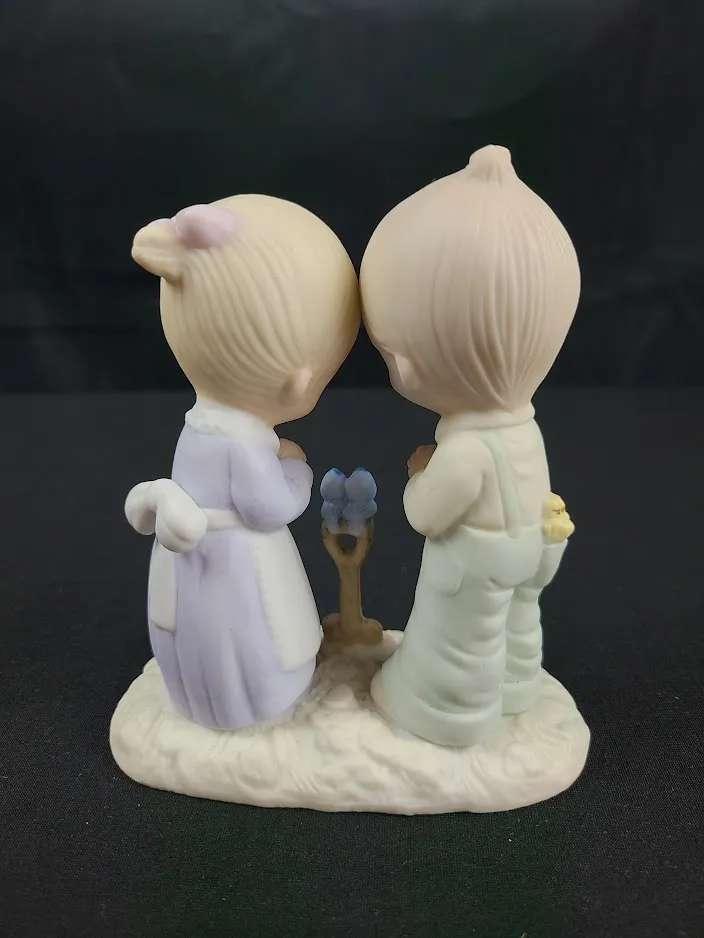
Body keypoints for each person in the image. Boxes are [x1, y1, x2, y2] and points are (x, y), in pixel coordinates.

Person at [360, 145, 581, 747]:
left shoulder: (465, 450)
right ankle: (519, 687)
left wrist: (418, 474)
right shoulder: (524, 427)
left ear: (410, 362)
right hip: (530, 544)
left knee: (461, 643)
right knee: (519, 625)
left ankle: (447, 712)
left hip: (476, 562)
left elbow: (427, 514)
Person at [125, 196, 359, 730]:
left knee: (192, 637)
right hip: (234, 567)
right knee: (249, 641)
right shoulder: (244, 442)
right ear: (299, 381)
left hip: (188, 563)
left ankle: (202, 701)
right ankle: (255, 707)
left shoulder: (196, 426)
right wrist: (296, 470)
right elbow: (268, 508)